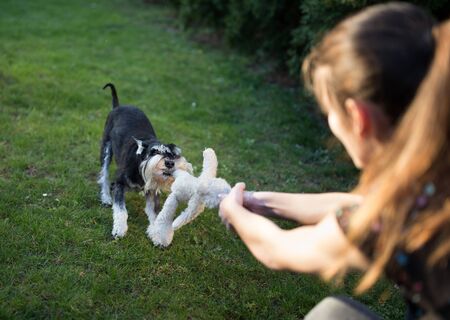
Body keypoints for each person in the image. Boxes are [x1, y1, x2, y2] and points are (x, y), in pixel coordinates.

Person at [218, 2, 450, 319]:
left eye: (330, 113)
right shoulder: (432, 178)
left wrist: (233, 211)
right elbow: (359, 205)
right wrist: (261, 202)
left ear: (358, 117)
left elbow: (277, 250)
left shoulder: (403, 217)